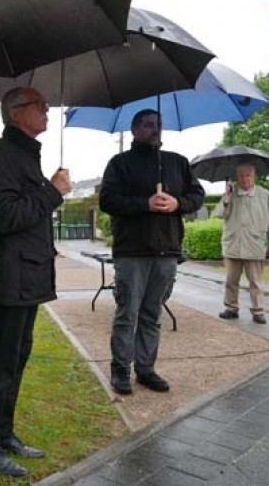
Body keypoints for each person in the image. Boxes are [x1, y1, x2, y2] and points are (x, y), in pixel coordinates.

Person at [0, 87, 72, 477]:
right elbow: (3, 218)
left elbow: (25, 210)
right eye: (39, 105)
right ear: (16, 114)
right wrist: (53, 191)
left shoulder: (23, 155)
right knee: (1, 364)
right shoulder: (0, 158)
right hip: (12, 276)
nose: (47, 110)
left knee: (18, 358)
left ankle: (3, 432)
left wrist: (47, 188)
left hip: (28, 274)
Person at [99, 109, 204, 396]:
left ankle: (145, 368)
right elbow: (107, 200)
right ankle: (120, 368)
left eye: (158, 125)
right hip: (132, 250)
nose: (154, 129)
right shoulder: (120, 163)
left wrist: (177, 203)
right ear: (133, 130)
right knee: (127, 313)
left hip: (166, 250)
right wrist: (144, 204)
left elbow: (197, 195)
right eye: (147, 125)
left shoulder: (177, 162)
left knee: (152, 313)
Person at [216, 164, 269, 324]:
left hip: (254, 245)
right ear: (237, 178)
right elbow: (218, 215)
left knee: (255, 282)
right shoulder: (230, 194)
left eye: (248, 175)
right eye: (242, 176)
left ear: (255, 177)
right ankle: (231, 308)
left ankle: (258, 311)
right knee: (230, 281)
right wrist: (225, 202)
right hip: (233, 245)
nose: (245, 179)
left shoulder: (265, 196)